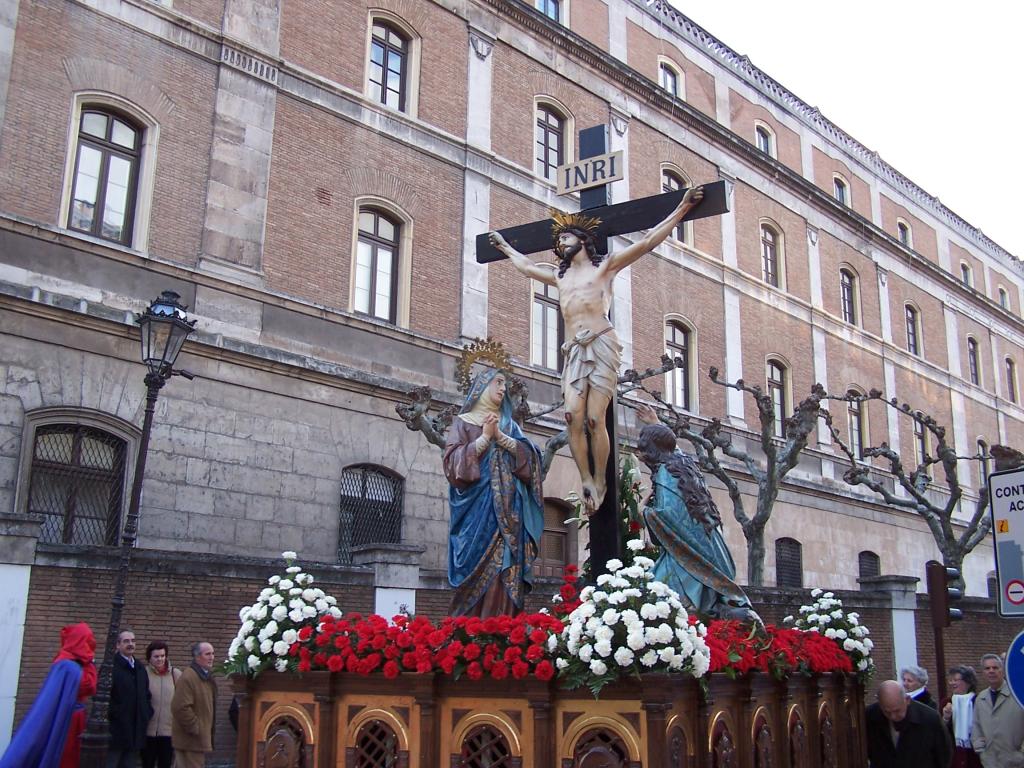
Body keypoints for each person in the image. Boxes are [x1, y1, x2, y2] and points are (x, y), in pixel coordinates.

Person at [488, 184, 704, 514]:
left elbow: (647, 243)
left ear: (584, 240)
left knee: (593, 418)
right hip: (574, 350)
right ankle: (586, 477)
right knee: (572, 415)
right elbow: (525, 266)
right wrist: (504, 245)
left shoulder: (605, 267)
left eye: (566, 238)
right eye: (559, 240)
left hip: (602, 344)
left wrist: (682, 209)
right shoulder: (558, 276)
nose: (560, 242)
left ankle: (600, 480)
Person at [633, 402, 757, 620]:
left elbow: (669, 515)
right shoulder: (684, 463)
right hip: (712, 551)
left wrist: (643, 511)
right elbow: (673, 447)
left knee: (652, 599)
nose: (640, 454)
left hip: (687, 559)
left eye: (643, 448)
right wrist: (656, 424)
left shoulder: (665, 474)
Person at [443, 368, 545, 616]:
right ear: (481, 387)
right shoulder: (464, 422)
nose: (503, 389)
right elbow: (451, 463)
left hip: (509, 515)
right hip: (476, 510)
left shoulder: (509, 425)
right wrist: (483, 439)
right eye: (498, 382)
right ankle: (470, 627)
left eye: (504, 384)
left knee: (506, 564)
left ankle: (503, 625)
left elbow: (532, 459)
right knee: (472, 562)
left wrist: (500, 436)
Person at [0, 622, 97, 768]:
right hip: (67, 718)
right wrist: (90, 663)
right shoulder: (67, 666)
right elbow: (88, 686)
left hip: (72, 716)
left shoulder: (69, 663)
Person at [865, 679, 951, 768]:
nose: (893, 716)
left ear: (907, 700)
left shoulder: (930, 719)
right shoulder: (870, 716)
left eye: (897, 711)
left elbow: (943, 755)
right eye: (887, 712)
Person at [107, 628, 153, 768]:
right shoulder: (110, 667)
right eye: (126, 641)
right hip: (117, 730)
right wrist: (117, 714)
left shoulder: (139, 667)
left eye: (133, 641)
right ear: (118, 645)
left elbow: (146, 694)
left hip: (136, 729)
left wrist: (146, 713)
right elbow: (105, 696)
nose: (130, 644)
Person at [972, 653, 1024, 768]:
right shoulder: (981, 698)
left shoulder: (1017, 694)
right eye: (987, 668)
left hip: (1016, 762)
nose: (991, 671)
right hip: (990, 762)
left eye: (995, 668)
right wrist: (980, 748)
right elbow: (976, 726)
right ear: (983, 673)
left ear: (1003, 670)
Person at [171, 642, 217, 768]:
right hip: (190, 742)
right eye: (207, 654)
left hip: (195, 742)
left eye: (212, 654)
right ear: (197, 657)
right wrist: (196, 728)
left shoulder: (204, 677)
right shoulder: (189, 677)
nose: (211, 657)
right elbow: (180, 707)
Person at [142, 640, 182, 768]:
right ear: (150, 657)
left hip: (168, 732)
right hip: (148, 731)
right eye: (156, 656)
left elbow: (182, 701)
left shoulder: (175, 674)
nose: (160, 659)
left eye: (163, 656)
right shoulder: (143, 674)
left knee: (165, 763)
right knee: (147, 763)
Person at [942, 665, 982, 768]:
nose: (952, 683)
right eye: (950, 680)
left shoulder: (979, 701)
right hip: (955, 756)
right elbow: (941, 732)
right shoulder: (947, 703)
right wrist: (946, 718)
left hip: (975, 756)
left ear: (968, 682)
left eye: (955, 680)